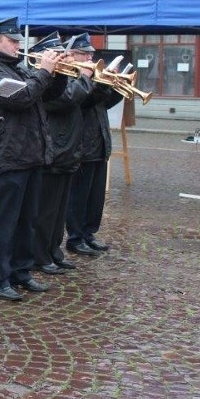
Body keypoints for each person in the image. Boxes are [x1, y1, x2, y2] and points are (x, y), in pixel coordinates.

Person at [0, 17, 66, 302]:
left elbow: (49, 95)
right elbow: (22, 98)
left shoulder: (20, 66)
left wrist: (59, 72)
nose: (18, 45)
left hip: (31, 153)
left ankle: (21, 271)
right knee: (4, 221)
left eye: (18, 41)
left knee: (27, 219)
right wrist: (45, 72)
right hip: (9, 154)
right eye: (13, 41)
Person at [30, 32, 90, 275]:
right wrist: (86, 78)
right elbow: (65, 99)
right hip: (54, 149)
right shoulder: (43, 80)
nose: (65, 59)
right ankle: (40, 255)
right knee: (45, 211)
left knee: (58, 212)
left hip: (68, 149)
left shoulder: (63, 78)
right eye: (59, 55)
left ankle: (53, 251)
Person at [65, 33, 124, 256]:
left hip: (99, 141)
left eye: (91, 53)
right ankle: (75, 237)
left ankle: (89, 233)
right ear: (72, 55)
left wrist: (115, 86)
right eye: (85, 53)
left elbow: (103, 104)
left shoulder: (88, 77)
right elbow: (82, 101)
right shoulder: (71, 77)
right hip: (81, 144)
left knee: (95, 196)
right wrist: (94, 81)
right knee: (78, 196)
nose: (90, 57)